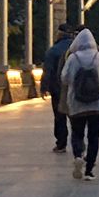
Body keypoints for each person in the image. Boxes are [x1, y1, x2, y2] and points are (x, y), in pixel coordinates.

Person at [60, 25, 99, 181]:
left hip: (77, 104)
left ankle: (78, 155)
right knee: (94, 136)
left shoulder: (72, 58)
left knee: (77, 133)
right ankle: (89, 170)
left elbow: (64, 78)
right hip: (97, 105)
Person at [40, 21, 77, 154]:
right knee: (75, 117)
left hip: (58, 89)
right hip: (75, 88)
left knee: (60, 116)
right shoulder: (76, 49)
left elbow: (48, 70)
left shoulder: (53, 50)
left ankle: (61, 144)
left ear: (59, 34)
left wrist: (44, 87)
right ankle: (78, 143)